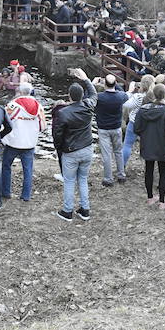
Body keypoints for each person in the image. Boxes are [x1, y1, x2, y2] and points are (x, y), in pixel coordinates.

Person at [52, 68, 98, 222]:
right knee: (83, 179)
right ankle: (85, 210)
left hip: (71, 151)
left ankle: (67, 211)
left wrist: (59, 148)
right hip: (87, 148)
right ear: (81, 96)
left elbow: (57, 134)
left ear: (69, 96)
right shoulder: (88, 105)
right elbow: (94, 94)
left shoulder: (63, 113)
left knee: (70, 181)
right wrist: (86, 79)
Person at [134, 84, 165, 209]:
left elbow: (137, 128)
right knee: (163, 172)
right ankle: (162, 201)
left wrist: (145, 136)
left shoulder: (143, 110)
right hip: (163, 146)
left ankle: (150, 197)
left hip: (147, 144)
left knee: (149, 170)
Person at [1, 82, 46, 201]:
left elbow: (4, 121)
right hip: (29, 142)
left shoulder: (13, 105)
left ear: (19, 92)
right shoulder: (38, 106)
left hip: (13, 142)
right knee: (28, 169)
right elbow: (43, 126)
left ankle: (6, 192)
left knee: (6, 166)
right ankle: (26, 195)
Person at [94, 74, 129, 186]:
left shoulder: (99, 97)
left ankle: (108, 179)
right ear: (115, 84)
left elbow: (87, 96)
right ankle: (121, 175)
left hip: (103, 128)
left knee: (107, 154)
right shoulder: (121, 96)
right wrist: (114, 82)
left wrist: (93, 83)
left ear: (104, 85)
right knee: (118, 151)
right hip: (116, 127)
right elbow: (122, 91)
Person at [121, 74, 156, 166]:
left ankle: (122, 165)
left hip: (134, 122)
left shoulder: (138, 97)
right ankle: (149, 166)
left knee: (127, 145)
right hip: (149, 124)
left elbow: (125, 105)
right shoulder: (155, 97)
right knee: (149, 145)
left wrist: (129, 92)